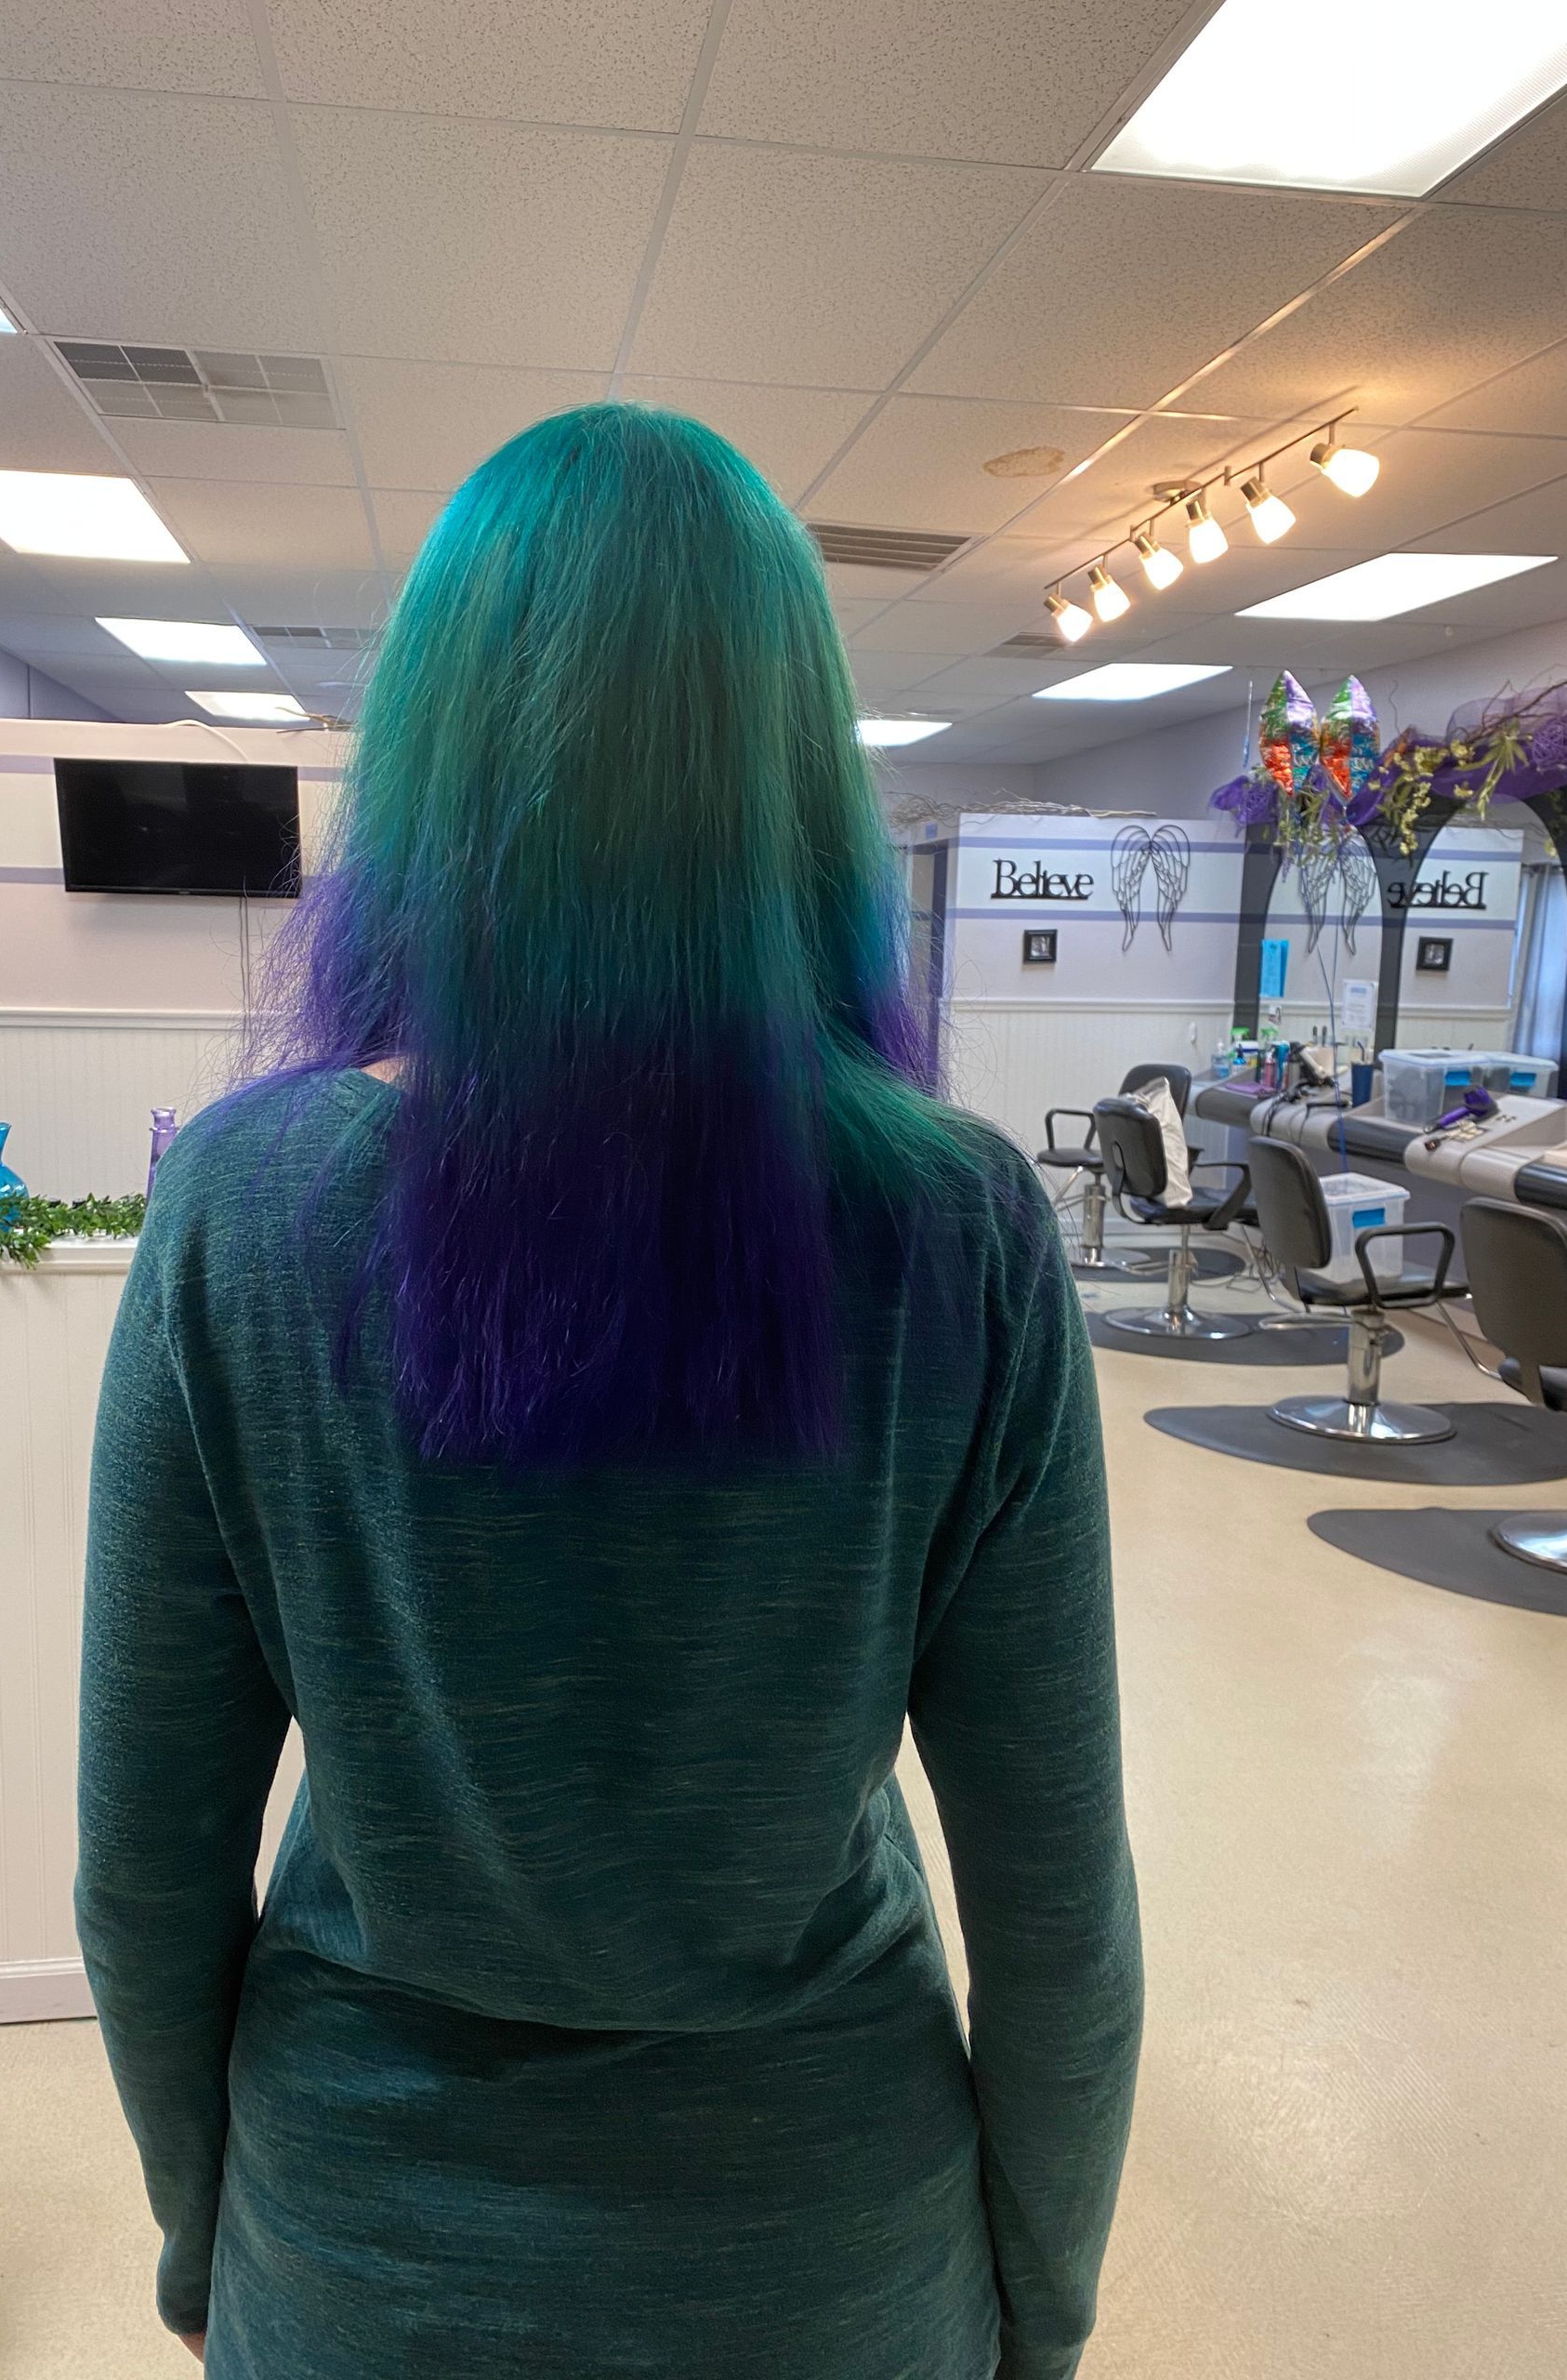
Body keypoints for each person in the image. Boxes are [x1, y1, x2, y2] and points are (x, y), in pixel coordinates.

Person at [75, 403, 1141, 2380]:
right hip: (830, 2270)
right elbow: (1059, 1908)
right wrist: (1039, 2306)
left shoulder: (241, 1207)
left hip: (364, 2262)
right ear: (796, 774)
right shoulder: (963, 1234)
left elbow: (144, 1869)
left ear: (435, 757)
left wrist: (215, 2242)